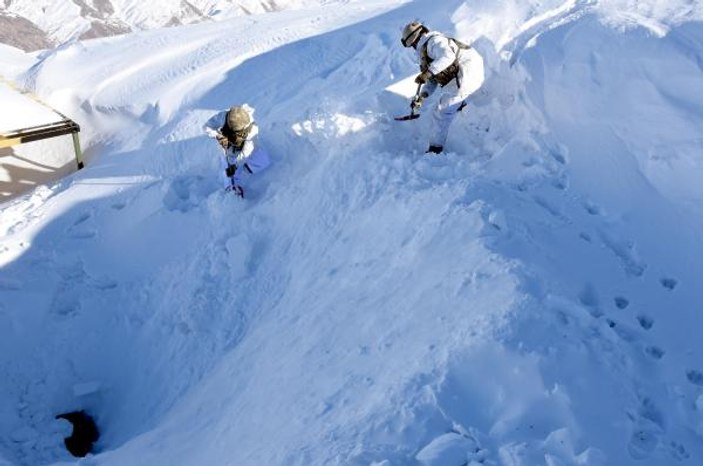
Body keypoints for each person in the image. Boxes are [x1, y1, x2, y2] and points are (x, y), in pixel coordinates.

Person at [400, 21, 485, 154]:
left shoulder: (434, 42)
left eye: (411, 44)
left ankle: (435, 149)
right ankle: (461, 107)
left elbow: (448, 57)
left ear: (414, 39)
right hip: (461, 77)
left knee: (442, 112)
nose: (412, 47)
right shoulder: (426, 50)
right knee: (443, 108)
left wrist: (427, 73)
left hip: (467, 73)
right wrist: (423, 96)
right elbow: (433, 79)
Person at [204, 104, 270, 197]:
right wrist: (219, 137)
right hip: (227, 146)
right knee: (228, 168)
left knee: (263, 160)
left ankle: (244, 168)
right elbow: (207, 127)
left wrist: (235, 166)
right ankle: (232, 188)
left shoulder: (252, 129)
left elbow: (246, 153)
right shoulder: (224, 116)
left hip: (243, 147)